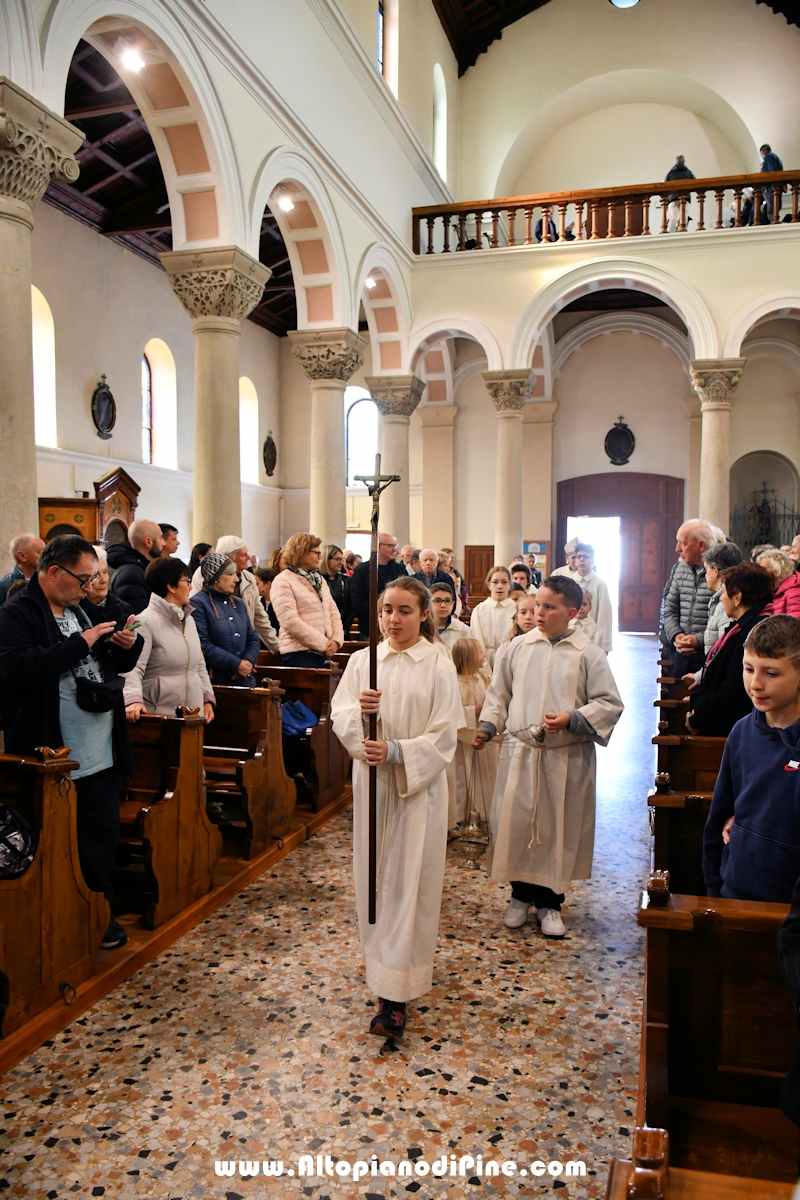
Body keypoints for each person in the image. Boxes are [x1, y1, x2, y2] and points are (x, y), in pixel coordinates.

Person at [330, 576, 461, 1038]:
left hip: (415, 791)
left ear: (424, 614)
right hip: (373, 785)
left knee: (409, 884)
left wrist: (398, 751)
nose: (393, 619)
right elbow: (340, 714)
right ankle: (379, 967)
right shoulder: (363, 661)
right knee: (374, 882)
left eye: (405, 611)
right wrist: (361, 716)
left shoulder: (437, 663)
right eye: (387, 610)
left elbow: (444, 734)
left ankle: (397, 992)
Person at [0, 535, 142, 950]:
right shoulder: (16, 613)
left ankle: (96, 910)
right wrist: (81, 642)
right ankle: (60, 919)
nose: (88, 587)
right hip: (51, 752)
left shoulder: (83, 608)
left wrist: (126, 646)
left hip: (99, 749)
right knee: (58, 840)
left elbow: (114, 661)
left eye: (92, 578)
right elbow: (16, 667)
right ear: (53, 572)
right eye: (82, 579)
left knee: (101, 834)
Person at [472, 575, 623, 939]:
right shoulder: (517, 647)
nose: (538, 612)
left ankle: (551, 903)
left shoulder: (588, 653)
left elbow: (609, 703)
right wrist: (488, 726)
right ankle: (520, 897)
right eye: (537, 605)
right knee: (518, 824)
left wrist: (572, 718)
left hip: (565, 758)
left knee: (557, 829)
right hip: (521, 754)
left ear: (571, 613)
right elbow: (499, 695)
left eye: (549, 607)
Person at [703, 616, 800, 904]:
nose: (755, 684)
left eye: (771, 673)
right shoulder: (742, 731)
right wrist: (714, 889)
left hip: (789, 902)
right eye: (748, 669)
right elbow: (719, 814)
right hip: (735, 891)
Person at [684, 562, 774, 737]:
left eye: (724, 592)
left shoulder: (753, 634)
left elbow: (734, 693)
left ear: (737, 597)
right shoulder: (744, 626)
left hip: (732, 731)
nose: (721, 598)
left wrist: (698, 717)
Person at [122, 556, 215, 724]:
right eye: (186, 581)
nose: (190, 586)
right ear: (171, 586)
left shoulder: (188, 620)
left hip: (193, 714)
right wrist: (133, 699)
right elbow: (133, 668)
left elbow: (199, 664)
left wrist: (207, 698)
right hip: (161, 714)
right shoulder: (145, 622)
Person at [190, 535, 279, 652]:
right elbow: (198, 611)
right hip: (215, 648)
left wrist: (277, 647)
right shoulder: (203, 574)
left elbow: (259, 617)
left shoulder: (249, 578)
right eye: (243, 555)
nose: (248, 557)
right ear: (228, 558)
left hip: (242, 647)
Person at [269, 532, 344, 667]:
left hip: (323, 651)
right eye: (316, 553)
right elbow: (290, 621)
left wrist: (336, 640)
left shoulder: (318, 579)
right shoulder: (283, 581)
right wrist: (323, 644)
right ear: (301, 552)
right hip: (299, 653)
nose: (320, 557)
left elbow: (332, 610)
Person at [191, 552, 260, 687]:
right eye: (230, 574)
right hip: (216, 683)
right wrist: (236, 665)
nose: (236, 579)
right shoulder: (198, 603)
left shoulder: (238, 603)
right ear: (215, 578)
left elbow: (253, 637)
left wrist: (247, 661)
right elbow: (203, 645)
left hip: (245, 680)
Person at [451, 637, 498, 831]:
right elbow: (452, 714)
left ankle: (485, 813)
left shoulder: (485, 679)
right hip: (462, 742)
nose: (483, 655)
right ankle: (461, 816)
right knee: (462, 779)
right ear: (468, 657)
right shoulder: (455, 683)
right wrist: (473, 711)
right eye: (479, 652)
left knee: (485, 776)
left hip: (483, 738)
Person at [662, 520, 716, 678]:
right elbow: (669, 608)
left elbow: (726, 618)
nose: (677, 548)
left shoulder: (720, 571)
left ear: (701, 545)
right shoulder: (680, 568)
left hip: (710, 653)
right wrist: (676, 635)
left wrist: (699, 640)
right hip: (682, 653)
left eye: (683, 543)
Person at [350, 534, 405, 639]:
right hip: (369, 627)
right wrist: (380, 615)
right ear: (378, 546)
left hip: (396, 625)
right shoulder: (362, 570)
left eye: (396, 546)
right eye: (391, 546)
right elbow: (357, 599)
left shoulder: (399, 569)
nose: (395, 550)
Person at [107, 519, 165, 613]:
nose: (164, 543)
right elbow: (140, 616)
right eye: (161, 537)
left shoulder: (143, 568)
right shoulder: (131, 575)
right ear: (148, 542)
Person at [569, 544, 613, 653]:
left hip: (592, 635)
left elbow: (604, 616)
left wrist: (604, 645)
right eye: (579, 557)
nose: (582, 559)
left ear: (592, 560)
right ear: (575, 560)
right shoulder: (568, 582)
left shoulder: (600, 584)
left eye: (586, 557)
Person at [469, 565, 516, 669]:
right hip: (484, 659)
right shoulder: (479, 610)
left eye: (504, 582)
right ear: (489, 585)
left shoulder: (516, 609)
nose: (499, 586)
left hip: (509, 658)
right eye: (495, 582)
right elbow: (476, 637)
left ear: (509, 585)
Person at [701, 540, 743, 655]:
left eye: (706, 569)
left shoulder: (727, 601)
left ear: (716, 571)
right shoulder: (720, 597)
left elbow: (726, 649)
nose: (705, 575)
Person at [87, 546, 132, 629]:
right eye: (96, 575)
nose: (103, 580)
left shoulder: (123, 609)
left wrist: (132, 636)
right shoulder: (73, 610)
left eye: (105, 572)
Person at [0, 533, 45, 604]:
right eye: (41, 553)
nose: (46, 557)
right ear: (22, 556)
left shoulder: (48, 581)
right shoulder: (3, 586)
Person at [320, 543, 351, 637]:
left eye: (342, 559)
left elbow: (350, 606)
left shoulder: (346, 580)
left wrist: (345, 626)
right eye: (337, 559)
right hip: (320, 628)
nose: (341, 562)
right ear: (326, 559)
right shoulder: (316, 579)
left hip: (340, 628)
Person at [758, 548, 800, 617]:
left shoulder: (794, 592)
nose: (760, 573)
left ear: (778, 569)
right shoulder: (774, 590)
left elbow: (795, 622)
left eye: (764, 569)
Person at [430, 580, 469, 653]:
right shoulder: (421, 629)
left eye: (447, 601)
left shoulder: (463, 630)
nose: (443, 605)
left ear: (453, 604)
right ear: (429, 603)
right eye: (437, 601)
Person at [665, 154, 695, 233]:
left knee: (673, 218)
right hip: (685, 197)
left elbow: (664, 184)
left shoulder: (671, 173)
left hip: (673, 198)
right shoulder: (688, 172)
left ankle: (670, 233)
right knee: (684, 217)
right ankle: (682, 231)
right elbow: (695, 182)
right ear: (684, 162)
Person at [760, 144, 784, 224]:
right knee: (776, 204)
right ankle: (775, 219)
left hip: (770, 186)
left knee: (771, 205)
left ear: (763, 151)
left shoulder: (768, 156)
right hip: (777, 185)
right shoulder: (775, 156)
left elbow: (772, 171)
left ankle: (773, 221)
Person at [254, 566, 280, 636]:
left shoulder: (280, 603)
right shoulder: (258, 602)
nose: (254, 587)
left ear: (268, 584)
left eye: (257, 584)